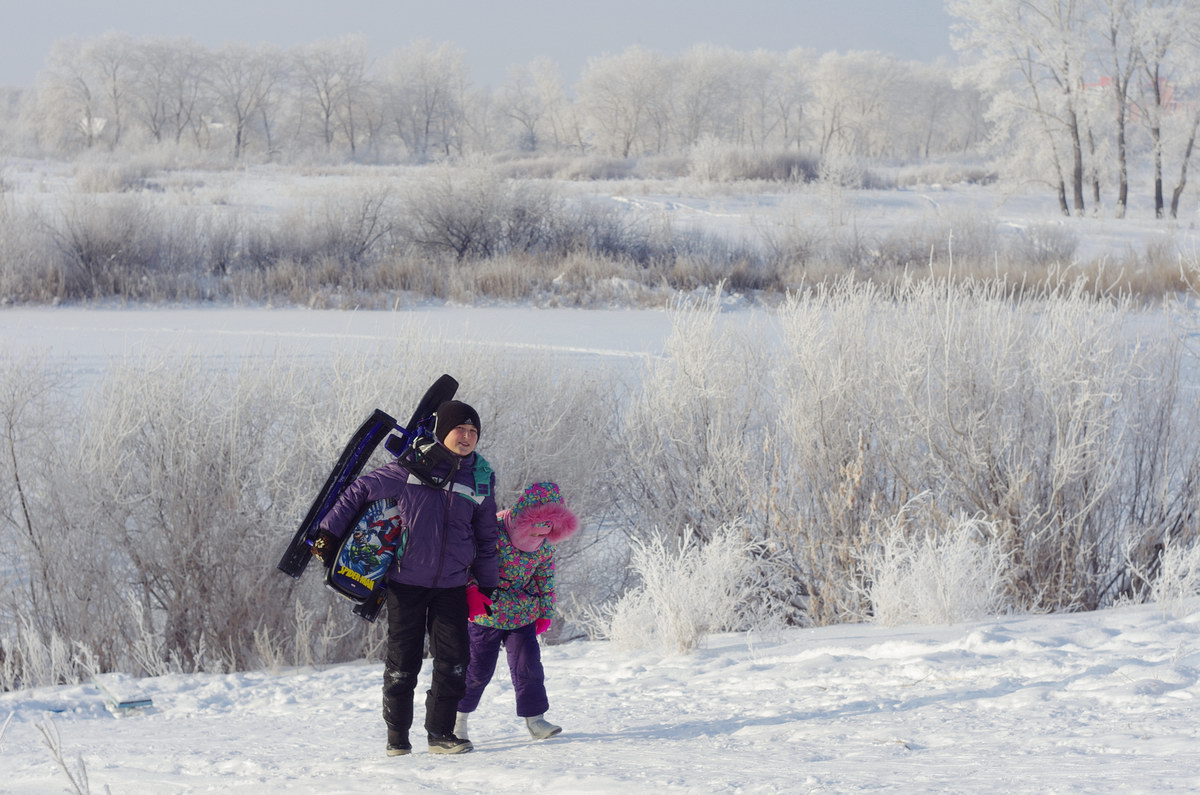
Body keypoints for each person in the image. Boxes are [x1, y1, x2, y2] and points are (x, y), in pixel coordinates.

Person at [312, 400, 498, 756]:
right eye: (460, 429)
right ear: (442, 431)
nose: (467, 437)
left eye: (473, 431)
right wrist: (329, 533)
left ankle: (441, 734)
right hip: (406, 582)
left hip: (452, 585)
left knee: (454, 662)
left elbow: (487, 535)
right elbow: (359, 490)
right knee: (403, 663)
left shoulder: (480, 477)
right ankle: (397, 737)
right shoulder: (411, 467)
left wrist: (488, 583)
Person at [453, 481, 579, 743]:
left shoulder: (544, 546)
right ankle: (457, 720)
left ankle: (536, 720)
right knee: (477, 670)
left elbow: (545, 578)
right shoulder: (493, 531)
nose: (540, 535)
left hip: (523, 612)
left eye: (547, 530)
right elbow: (467, 561)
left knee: (528, 666)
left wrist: (545, 612)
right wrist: (470, 591)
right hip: (486, 611)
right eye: (536, 528)